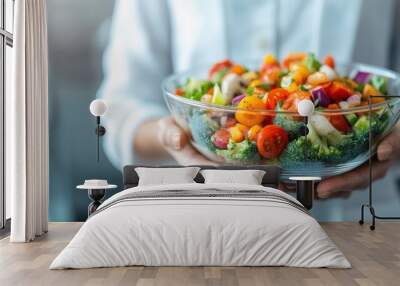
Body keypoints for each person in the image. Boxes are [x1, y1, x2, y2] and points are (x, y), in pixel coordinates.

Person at [97, 0, 400, 202]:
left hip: (358, 223)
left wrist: (391, 145)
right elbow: (119, 109)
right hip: (203, 218)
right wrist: (172, 137)